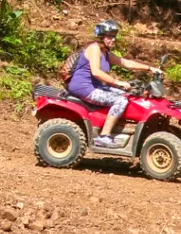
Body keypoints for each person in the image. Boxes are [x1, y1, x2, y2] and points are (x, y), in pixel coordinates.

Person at [62, 20, 160, 148]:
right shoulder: (94, 49)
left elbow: (125, 63)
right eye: (109, 37)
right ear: (101, 37)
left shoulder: (105, 53)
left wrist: (150, 68)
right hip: (84, 88)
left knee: (127, 95)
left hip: (95, 86)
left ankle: (117, 127)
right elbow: (96, 72)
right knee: (120, 101)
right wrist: (116, 82)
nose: (113, 39)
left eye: (114, 36)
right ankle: (104, 137)